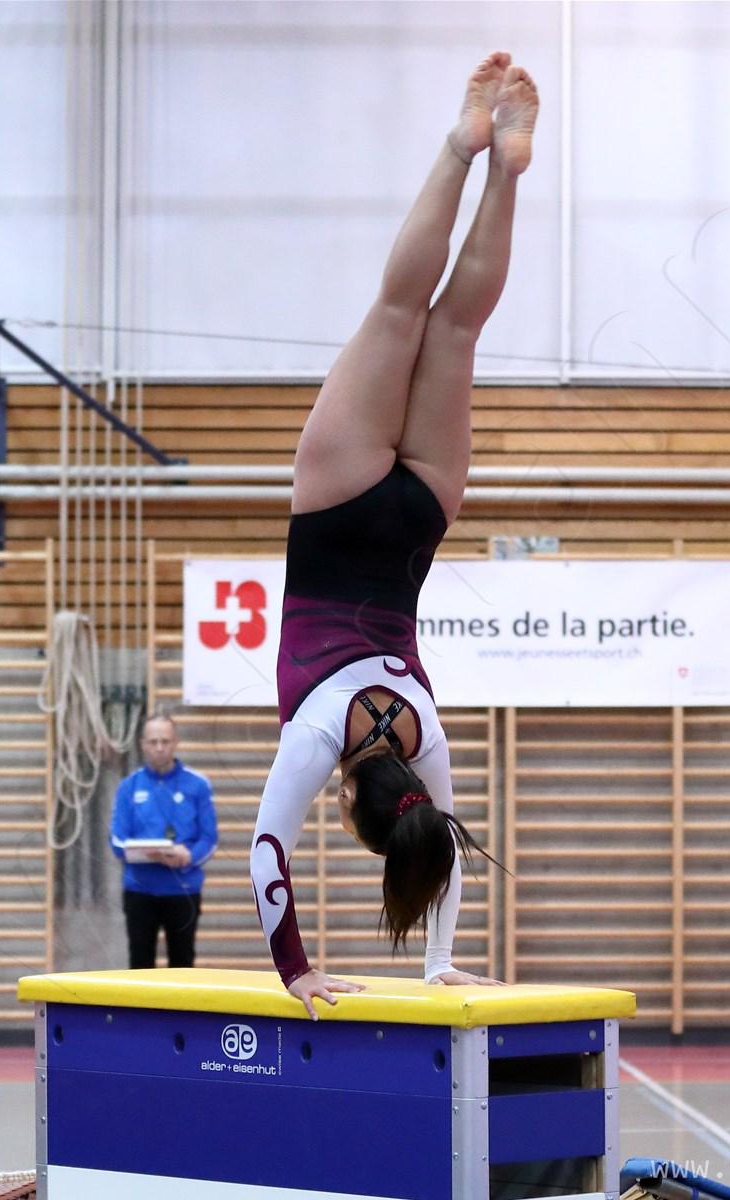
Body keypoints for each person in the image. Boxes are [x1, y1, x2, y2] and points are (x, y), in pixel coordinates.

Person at [251, 53, 538, 1018]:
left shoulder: (426, 734)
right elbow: (266, 852)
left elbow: (447, 842)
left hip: (421, 516)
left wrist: (443, 958)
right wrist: (295, 969)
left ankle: (503, 169)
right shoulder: (316, 734)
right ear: (348, 805)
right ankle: (462, 145)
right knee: (400, 310)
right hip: (336, 507)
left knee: (453, 330)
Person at [110, 714, 218, 968]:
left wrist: (189, 856)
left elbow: (209, 838)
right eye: (153, 741)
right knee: (139, 966)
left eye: (165, 741)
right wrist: (147, 851)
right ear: (143, 744)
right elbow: (117, 840)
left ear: (176, 742)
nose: (159, 748)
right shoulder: (128, 787)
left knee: (182, 966)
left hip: (183, 891)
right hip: (140, 891)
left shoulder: (197, 785)